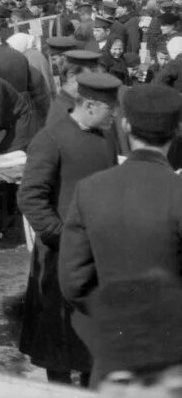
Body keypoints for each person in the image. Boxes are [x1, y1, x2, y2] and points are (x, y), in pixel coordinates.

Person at [60, 84, 182, 383]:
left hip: (115, 354)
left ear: (126, 125)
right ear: (177, 129)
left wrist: (115, 315)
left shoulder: (91, 189)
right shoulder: (177, 192)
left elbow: (73, 280)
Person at [17, 71, 121, 385]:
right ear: (89, 105)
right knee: (57, 335)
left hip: (98, 254)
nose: (114, 114)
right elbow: (31, 197)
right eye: (109, 109)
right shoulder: (51, 138)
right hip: (59, 254)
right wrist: (63, 236)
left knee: (94, 334)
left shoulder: (105, 138)